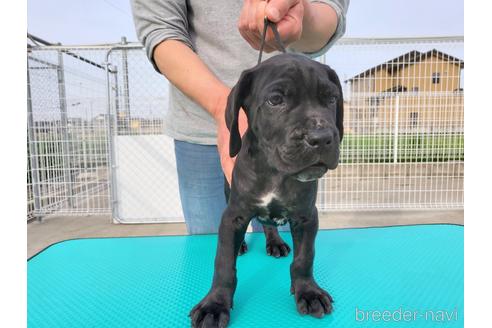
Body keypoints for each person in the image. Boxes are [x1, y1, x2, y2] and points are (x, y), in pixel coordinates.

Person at [131, 0, 349, 234]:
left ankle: (272, 238)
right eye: (276, 99)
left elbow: (331, 12)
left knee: (284, 244)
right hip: (200, 123)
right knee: (212, 239)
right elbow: (160, 29)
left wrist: (302, 15)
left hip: (286, 141)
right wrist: (219, 106)